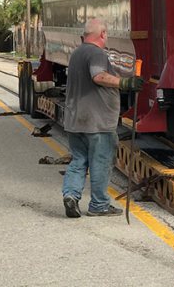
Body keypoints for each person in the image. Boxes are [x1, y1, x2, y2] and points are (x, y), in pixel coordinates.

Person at [61, 18, 140, 218]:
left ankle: (71, 195)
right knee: (101, 162)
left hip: (74, 120)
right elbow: (98, 76)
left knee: (79, 160)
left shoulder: (77, 53)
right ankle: (99, 205)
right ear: (103, 34)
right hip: (97, 122)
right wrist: (125, 83)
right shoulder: (96, 53)